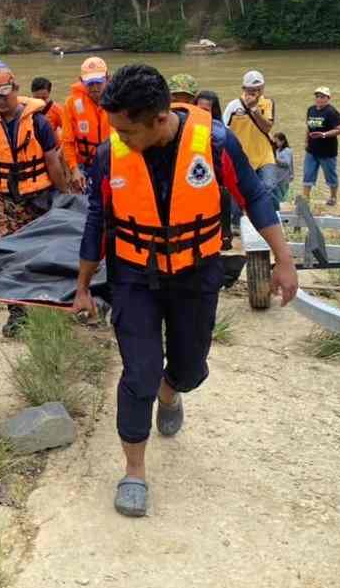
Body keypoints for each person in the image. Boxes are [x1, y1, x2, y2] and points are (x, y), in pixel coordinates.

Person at [70, 64, 298, 517]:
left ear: (157, 118)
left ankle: (171, 392)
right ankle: (134, 471)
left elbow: (254, 197)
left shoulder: (214, 142)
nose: (118, 137)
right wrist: (82, 286)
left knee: (191, 368)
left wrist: (284, 260)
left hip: (195, 273)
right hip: (134, 275)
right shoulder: (109, 154)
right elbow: (97, 221)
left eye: (126, 129)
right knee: (139, 373)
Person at [0, 67, 70, 337]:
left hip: (38, 198)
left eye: (4, 95)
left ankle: (46, 302)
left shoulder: (39, 123)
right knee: (1, 250)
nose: (0, 101)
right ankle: (17, 313)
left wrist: (64, 197)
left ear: (16, 90)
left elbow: (53, 162)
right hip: (0, 197)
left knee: (38, 253)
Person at [223, 71, 278, 220]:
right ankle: (237, 223)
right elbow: (223, 131)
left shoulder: (268, 103)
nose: (256, 92)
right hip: (241, 158)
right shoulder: (233, 106)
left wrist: (255, 110)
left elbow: (267, 127)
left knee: (269, 186)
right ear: (244, 88)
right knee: (237, 192)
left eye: (260, 89)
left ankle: (271, 220)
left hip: (264, 155)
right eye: (252, 90)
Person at [62, 57, 112, 192]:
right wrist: (74, 169)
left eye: (98, 81)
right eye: (90, 82)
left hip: (115, 165)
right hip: (87, 166)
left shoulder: (119, 101)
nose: (94, 87)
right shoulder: (71, 104)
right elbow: (67, 141)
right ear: (81, 80)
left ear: (108, 78)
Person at [302, 86, 340, 206]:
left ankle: (333, 197)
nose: (319, 99)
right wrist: (306, 141)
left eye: (322, 97)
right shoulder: (311, 110)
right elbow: (308, 127)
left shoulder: (331, 112)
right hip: (311, 150)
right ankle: (306, 198)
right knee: (308, 174)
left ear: (328, 98)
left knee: (330, 176)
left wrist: (324, 134)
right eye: (317, 96)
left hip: (327, 151)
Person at [273, 132, 293, 203]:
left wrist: (276, 160)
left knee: (285, 198)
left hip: (284, 178)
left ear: (283, 141)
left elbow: (287, 163)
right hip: (278, 178)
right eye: (274, 142)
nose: (275, 143)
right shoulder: (277, 150)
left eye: (276, 142)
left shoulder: (287, 151)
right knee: (279, 197)